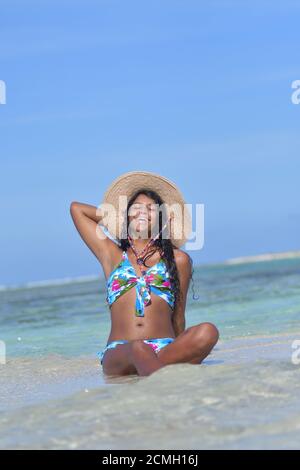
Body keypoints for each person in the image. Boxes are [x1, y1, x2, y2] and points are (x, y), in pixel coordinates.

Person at [70, 171, 219, 377]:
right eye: (136, 208)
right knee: (139, 348)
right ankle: (163, 382)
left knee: (208, 331)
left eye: (151, 209)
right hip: (121, 351)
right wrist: (121, 220)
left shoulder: (178, 260)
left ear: (160, 220)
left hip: (164, 347)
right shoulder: (112, 255)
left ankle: (153, 371)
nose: (143, 212)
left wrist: (180, 346)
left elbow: (178, 316)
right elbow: (77, 209)